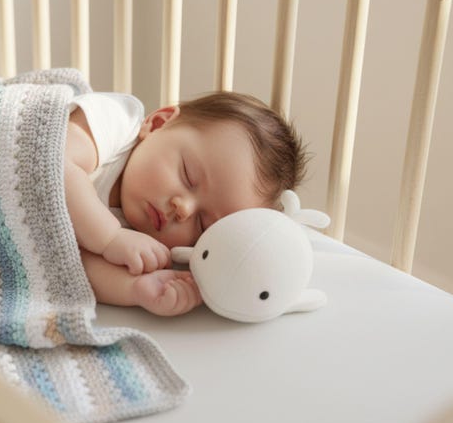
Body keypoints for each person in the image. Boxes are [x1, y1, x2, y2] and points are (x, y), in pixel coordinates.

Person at [64, 90, 307, 317]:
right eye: (188, 176)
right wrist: (110, 238)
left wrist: (136, 288)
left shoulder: (137, 240)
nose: (184, 209)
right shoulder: (116, 121)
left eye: (202, 224)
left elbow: (71, 267)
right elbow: (55, 165)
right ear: (159, 123)